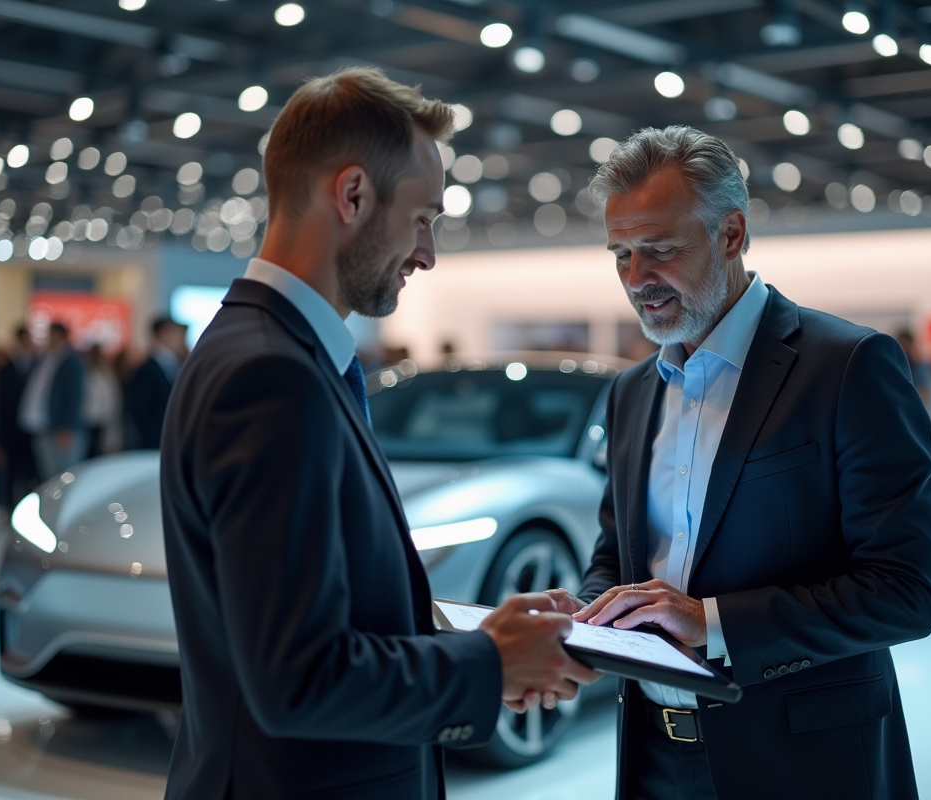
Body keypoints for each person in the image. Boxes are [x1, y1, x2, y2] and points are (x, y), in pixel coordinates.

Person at [159, 67, 597, 800]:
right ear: (353, 194)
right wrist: (489, 666)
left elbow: (325, 619)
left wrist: (481, 645)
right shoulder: (272, 379)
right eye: (424, 218)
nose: (428, 254)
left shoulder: (263, 351)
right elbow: (298, 680)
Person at [540, 126, 931, 800]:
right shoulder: (631, 391)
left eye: (661, 251)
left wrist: (714, 623)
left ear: (731, 235)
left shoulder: (847, 366)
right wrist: (585, 619)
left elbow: (907, 592)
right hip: (650, 759)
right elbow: (618, 556)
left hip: (803, 764)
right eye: (621, 255)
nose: (637, 281)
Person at [18, 322, 86, 479]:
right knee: (49, 477)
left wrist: (66, 428)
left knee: (64, 477)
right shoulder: (46, 359)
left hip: (61, 430)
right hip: (44, 426)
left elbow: (74, 395)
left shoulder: (72, 361)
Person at [0, 326, 38, 510]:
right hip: (11, 432)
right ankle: (9, 509)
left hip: (31, 431)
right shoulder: (6, 369)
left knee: (30, 476)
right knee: (10, 475)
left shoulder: (38, 365)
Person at [125, 316, 186, 450]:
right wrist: (153, 439)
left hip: (171, 441)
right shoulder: (146, 370)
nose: (181, 338)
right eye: (175, 333)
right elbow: (140, 409)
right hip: (155, 444)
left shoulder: (176, 364)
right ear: (162, 334)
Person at [896, 328, 931, 434]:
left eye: (904, 344)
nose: (902, 348)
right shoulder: (905, 367)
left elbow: (923, 396)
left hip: (920, 425)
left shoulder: (921, 369)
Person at [83, 344, 122, 457]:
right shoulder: (87, 374)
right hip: (88, 422)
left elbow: (112, 405)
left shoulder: (105, 376)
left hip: (100, 422)